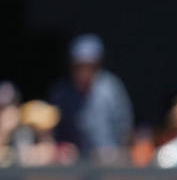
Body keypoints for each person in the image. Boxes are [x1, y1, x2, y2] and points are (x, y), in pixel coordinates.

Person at [48, 33, 133, 163]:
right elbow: (56, 130)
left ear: (97, 66)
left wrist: (116, 151)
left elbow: (124, 124)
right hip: (74, 164)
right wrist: (63, 148)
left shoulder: (111, 88)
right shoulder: (62, 92)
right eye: (79, 66)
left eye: (89, 66)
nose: (83, 71)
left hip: (108, 161)